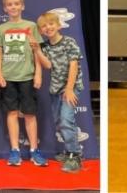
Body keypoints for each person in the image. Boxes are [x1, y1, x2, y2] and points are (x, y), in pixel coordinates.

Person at [0, 0, 46, 167]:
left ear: (22, 6)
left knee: (30, 113)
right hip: (8, 78)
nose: (13, 7)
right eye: (10, 4)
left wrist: (38, 73)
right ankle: (15, 150)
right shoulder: (0, 29)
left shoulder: (31, 26)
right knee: (12, 113)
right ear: (5, 8)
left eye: (16, 3)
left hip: (27, 77)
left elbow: (36, 50)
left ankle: (34, 150)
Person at [35, 11, 85, 173]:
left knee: (66, 120)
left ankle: (74, 155)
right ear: (41, 31)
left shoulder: (69, 42)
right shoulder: (45, 46)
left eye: (51, 24)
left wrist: (70, 89)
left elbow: (73, 65)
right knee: (59, 121)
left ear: (58, 25)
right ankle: (69, 151)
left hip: (70, 88)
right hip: (55, 90)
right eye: (44, 26)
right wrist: (37, 51)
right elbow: (47, 65)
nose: (48, 27)